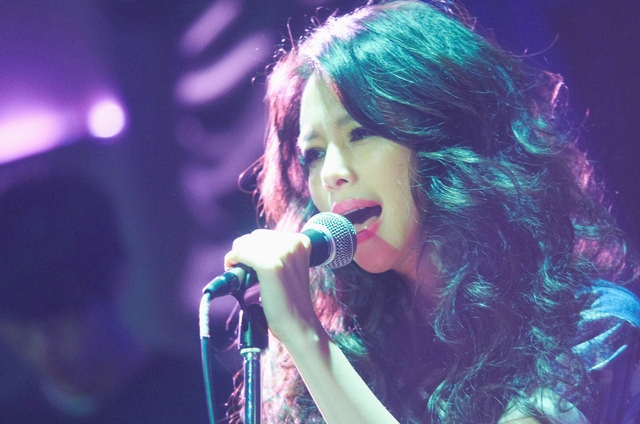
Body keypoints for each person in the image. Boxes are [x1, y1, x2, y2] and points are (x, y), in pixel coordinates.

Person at [224, 1, 640, 423]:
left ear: (445, 139)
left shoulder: (590, 328)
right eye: (313, 154)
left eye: (361, 133)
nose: (331, 174)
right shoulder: (341, 349)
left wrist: (306, 336)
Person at [0, 170, 226, 423]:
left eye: (60, 325)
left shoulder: (216, 402)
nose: (45, 353)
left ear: (115, 276)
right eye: (22, 336)